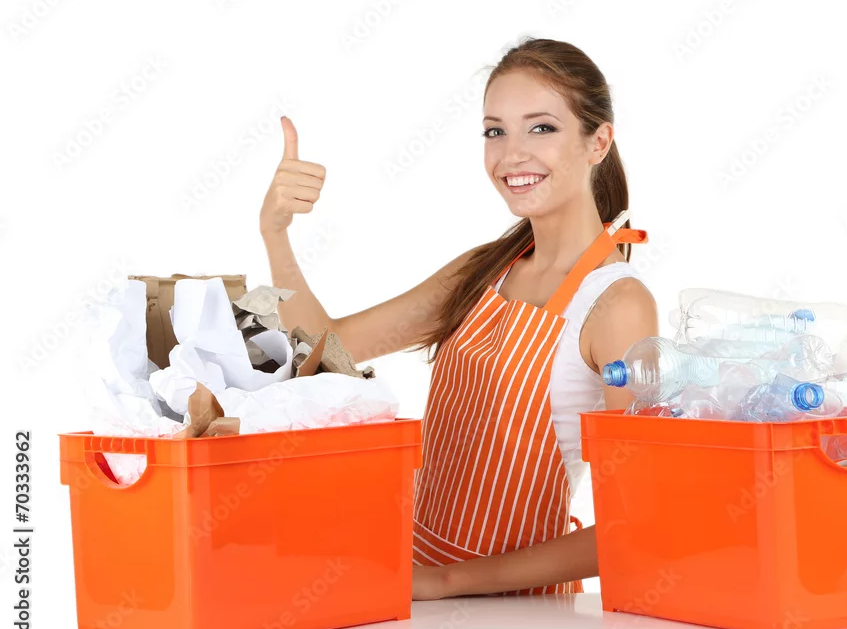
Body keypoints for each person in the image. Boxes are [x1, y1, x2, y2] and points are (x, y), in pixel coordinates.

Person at [260, 37, 658, 599]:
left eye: (541, 128)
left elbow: (638, 520)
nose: (511, 154)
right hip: (405, 579)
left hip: (515, 614)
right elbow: (326, 350)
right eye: (496, 131)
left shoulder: (617, 304)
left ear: (599, 142)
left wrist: (446, 582)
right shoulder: (485, 270)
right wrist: (275, 232)